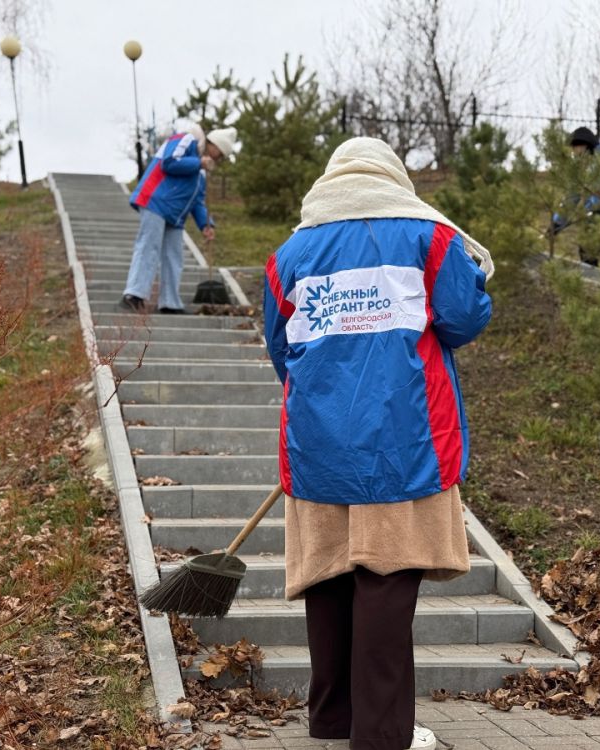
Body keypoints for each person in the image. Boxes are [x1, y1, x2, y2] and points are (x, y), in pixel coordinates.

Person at [263, 137, 494, 750]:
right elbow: (464, 319)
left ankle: (333, 720)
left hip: (318, 447)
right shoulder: (429, 237)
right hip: (404, 441)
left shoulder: (289, 252)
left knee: (330, 579)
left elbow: (282, 352)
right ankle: (383, 735)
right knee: (387, 583)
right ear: (393, 178)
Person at [120, 125, 236, 314]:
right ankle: (134, 294)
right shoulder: (186, 139)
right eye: (219, 153)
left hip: (176, 214)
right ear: (212, 143)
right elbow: (169, 161)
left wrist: (206, 224)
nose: (218, 158)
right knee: (149, 246)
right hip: (155, 201)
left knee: (174, 256)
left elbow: (197, 201)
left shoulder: (201, 173)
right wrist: (198, 162)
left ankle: (169, 302)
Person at [550, 127, 600, 265]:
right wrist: (557, 223)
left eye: (574, 148)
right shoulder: (579, 165)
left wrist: (599, 200)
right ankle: (593, 282)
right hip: (592, 213)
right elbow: (571, 196)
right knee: (586, 251)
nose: (573, 152)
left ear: (584, 144)